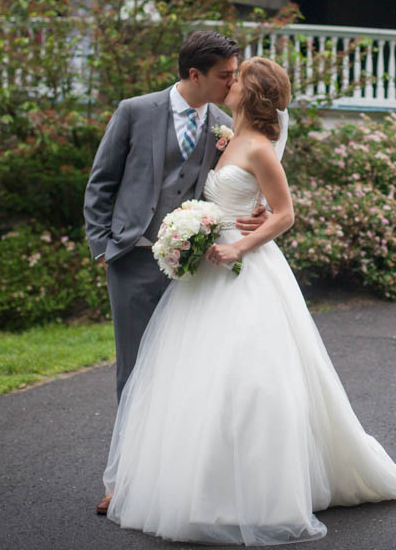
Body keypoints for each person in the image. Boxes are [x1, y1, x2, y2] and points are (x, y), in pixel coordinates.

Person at [101, 56, 396, 544]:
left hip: (245, 269)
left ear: (252, 93)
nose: (229, 82)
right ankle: (199, 488)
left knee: (250, 380)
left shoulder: (259, 148)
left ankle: (253, 493)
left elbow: (284, 215)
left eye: (237, 78)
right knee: (197, 379)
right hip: (207, 273)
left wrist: (239, 244)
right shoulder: (227, 135)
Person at [85, 31, 267, 423]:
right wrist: (101, 246)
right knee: (133, 368)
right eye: (225, 75)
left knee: (187, 368)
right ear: (194, 74)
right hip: (132, 256)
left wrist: (261, 210)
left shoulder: (224, 124)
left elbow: (245, 180)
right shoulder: (135, 111)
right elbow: (102, 182)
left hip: (194, 268)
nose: (233, 83)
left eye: (234, 74)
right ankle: (123, 477)